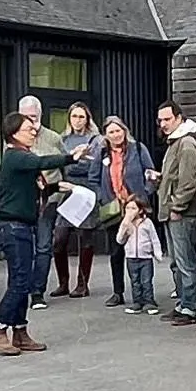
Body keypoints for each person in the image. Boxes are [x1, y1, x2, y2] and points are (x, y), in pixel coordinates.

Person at [0, 112, 92, 355]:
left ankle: (20, 332)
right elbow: (40, 163)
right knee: (20, 282)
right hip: (12, 228)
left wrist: (57, 187)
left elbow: (37, 190)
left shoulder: (24, 158)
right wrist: (71, 157)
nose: (34, 131)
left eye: (34, 127)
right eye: (28, 128)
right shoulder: (15, 156)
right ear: (14, 133)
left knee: (23, 280)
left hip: (24, 226)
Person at [85, 114, 156, 309]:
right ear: (105, 135)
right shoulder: (102, 153)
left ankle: (145, 295)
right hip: (113, 209)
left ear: (125, 131)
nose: (115, 135)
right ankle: (118, 292)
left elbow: (151, 175)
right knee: (116, 252)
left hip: (136, 208)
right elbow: (93, 179)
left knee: (141, 252)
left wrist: (144, 196)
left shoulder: (138, 149)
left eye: (118, 130)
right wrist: (102, 197)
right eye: (111, 132)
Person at [156, 99, 196, 328]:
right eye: (161, 120)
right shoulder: (176, 142)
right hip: (172, 210)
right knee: (177, 261)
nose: (163, 123)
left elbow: (188, 181)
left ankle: (190, 307)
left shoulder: (186, 144)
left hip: (182, 213)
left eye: (167, 119)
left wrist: (176, 206)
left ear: (179, 118)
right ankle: (183, 304)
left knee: (185, 261)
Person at [15, 95, 67, 311]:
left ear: (41, 115)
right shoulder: (13, 139)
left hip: (49, 200)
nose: (31, 122)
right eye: (25, 117)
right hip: (25, 201)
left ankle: (38, 291)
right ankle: (21, 288)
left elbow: (64, 166)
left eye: (34, 117)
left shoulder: (54, 138)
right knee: (23, 248)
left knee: (44, 246)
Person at [50, 101, 100, 298]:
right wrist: (73, 160)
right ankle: (63, 282)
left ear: (87, 118)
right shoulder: (62, 139)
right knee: (59, 239)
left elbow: (93, 166)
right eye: (74, 116)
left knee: (85, 238)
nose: (78, 120)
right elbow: (62, 165)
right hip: (67, 191)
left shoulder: (95, 139)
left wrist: (74, 161)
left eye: (81, 116)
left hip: (87, 189)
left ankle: (82, 284)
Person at [116, 196, 162, 315]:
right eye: (127, 208)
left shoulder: (147, 223)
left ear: (140, 210)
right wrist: (124, 227)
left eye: (133, 208)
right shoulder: (125, 223)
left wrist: (157, 253)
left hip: (145, 258)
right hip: (131, 258)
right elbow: (119, 240)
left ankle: (149, 302)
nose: (130, 211)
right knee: (135, 281)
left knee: (146, 281)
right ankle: (137, 302)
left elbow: (154, 239)